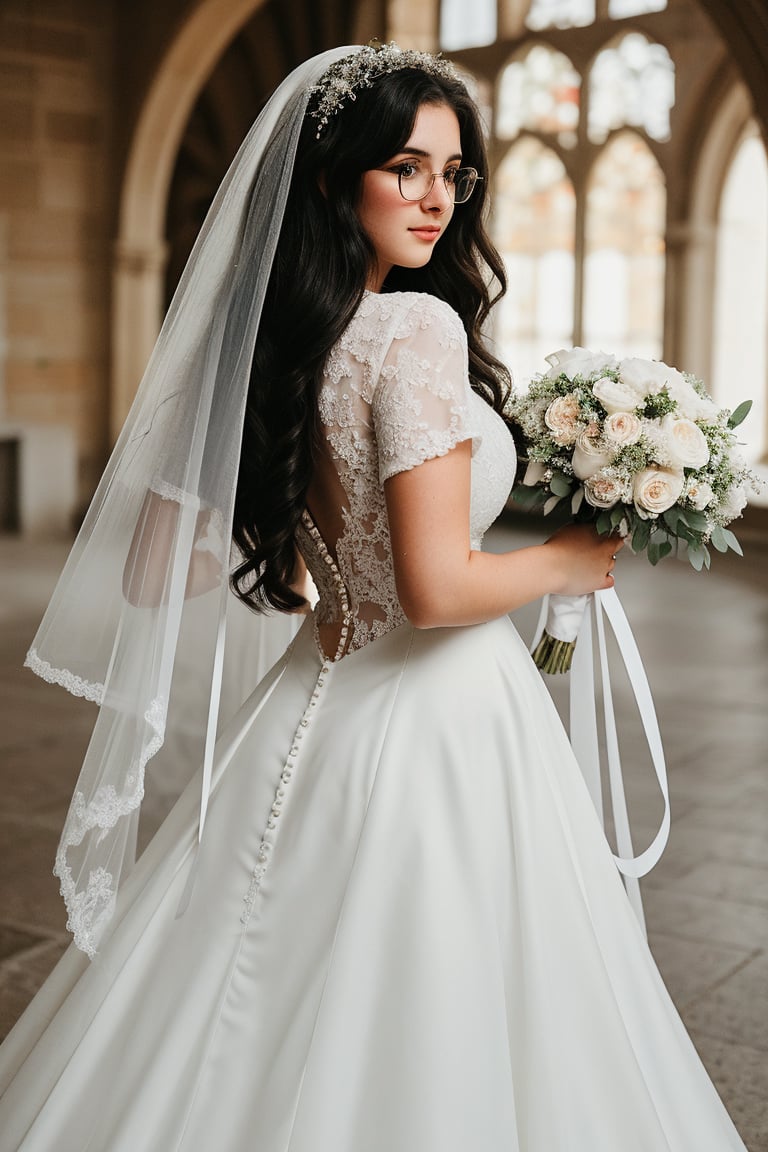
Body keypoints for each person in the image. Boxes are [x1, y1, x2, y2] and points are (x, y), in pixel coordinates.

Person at [0, 42, 747, 1152]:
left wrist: (306, 531)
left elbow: (158, 570)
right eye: (406, 166)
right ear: (335, 177)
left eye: (455, 173)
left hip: (316, 692)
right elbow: (440, 590)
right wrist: (569, 558)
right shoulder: (415, 329)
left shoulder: (272, 345)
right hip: (441, 722)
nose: (438, 196)